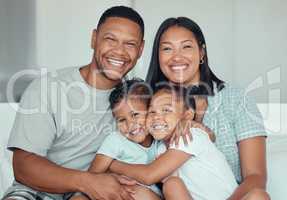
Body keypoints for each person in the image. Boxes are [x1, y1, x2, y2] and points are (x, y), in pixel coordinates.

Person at [2, 6, 145, 200]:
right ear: (94, 38)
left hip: (90, 194)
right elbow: (23, 167)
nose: (119, 51)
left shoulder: (138, 99)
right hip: (36, 191)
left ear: (141, 49)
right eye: (110, 39)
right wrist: (87, 181)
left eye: (130, 44)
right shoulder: (49, 87)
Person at [145, 17, 270, 200]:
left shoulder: (235, 99)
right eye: (167, 48)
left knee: (258, 196)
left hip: (229, 196)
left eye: (186, 46)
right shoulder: (147, 104)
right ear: (158, 56)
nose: (176, 56)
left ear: (201, 53)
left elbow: (255, 176)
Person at [109, 85, 238, 200]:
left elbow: (149, 176)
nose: (156, 117)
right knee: (166, 185)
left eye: (166, 110)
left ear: (187, 115)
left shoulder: (189, 135)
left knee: (171, 185)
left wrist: (111, 163)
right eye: (152, 112)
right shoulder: (160, 148)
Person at [69, 78, 162, 200]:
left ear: (151, 111)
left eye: (135, 114)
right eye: (122, 120)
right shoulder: (116, 140)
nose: (130, 125)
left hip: (146, 194)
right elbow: (92, 176)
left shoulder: (160, 139)